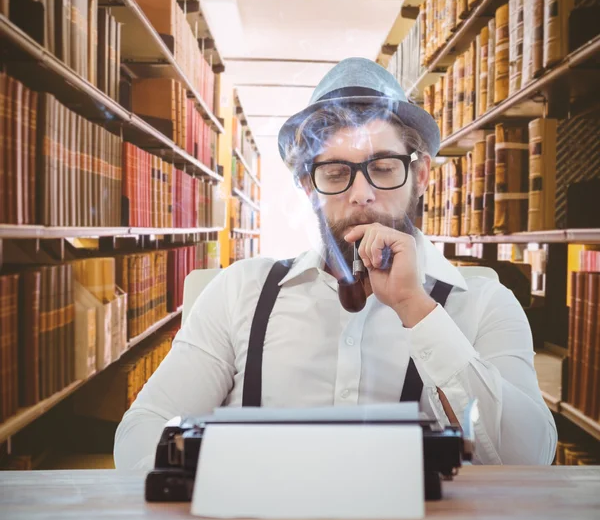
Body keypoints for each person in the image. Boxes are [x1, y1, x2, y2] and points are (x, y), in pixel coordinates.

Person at [114, 57, 557, 470]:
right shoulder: (238, 292)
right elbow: (139, 437)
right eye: (336, 173)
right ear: (309, 185)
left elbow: (530, 459)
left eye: (383, 167)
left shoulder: (485, 305)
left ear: (420, 177)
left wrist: (415, 308)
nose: (361, 193)